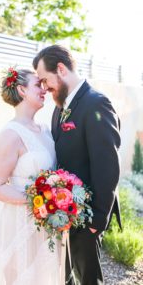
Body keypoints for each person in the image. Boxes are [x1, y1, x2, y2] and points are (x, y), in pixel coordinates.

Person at [33, 45, 121, 285]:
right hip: (64, 213)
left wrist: (97, 221)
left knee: (87, 280)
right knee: (65, 276)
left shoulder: (96, 104)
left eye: (44, 80)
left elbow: (108, 166)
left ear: (60, 69)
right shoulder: (58, 108)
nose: (43, 87)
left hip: (89, 216)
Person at [0, 68, 61, 285]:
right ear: (21, 90)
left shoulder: (45, 130)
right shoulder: (11, 134)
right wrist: (40, 202)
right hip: (17, 222)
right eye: (38, 85)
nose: (44, 89)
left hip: (45, 222)